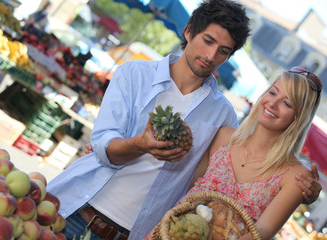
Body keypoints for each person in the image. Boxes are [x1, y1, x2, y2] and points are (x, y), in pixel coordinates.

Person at [46, 1, 320, 239]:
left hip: (139, 232)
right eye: (208, 41)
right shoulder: (133, 75)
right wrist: (141, 144)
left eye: (224, 51)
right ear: (189, 31)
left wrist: (304, 191)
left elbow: (219, 178)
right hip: (76, 211)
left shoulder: (223, 116)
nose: (212, 56)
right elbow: (104, 148)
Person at [145, 66, 323, 240]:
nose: (273, 103)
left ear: (298, 118)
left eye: (287, 103)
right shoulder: (224, 137)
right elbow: (187, 194)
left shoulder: (295, 175)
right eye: (273, 92)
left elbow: (261, 232)